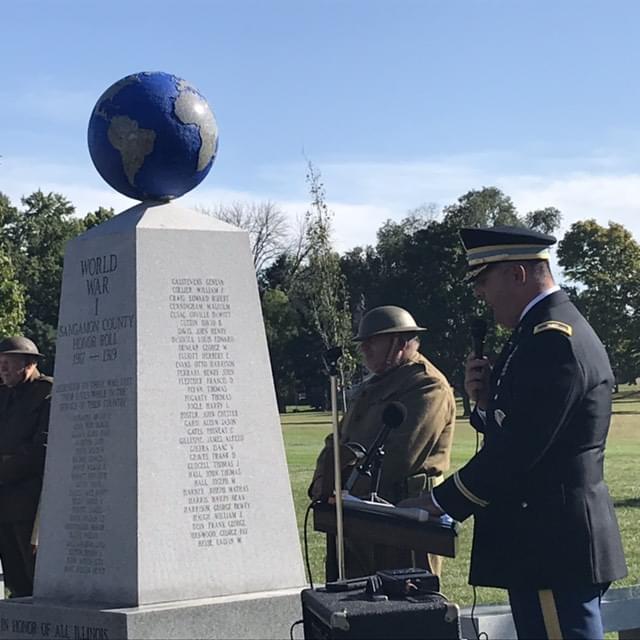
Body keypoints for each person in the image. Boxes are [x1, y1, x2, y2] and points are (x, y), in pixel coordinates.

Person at [401, 226, 627, 639]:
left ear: (518, 274)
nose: (480, 294)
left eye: (484, 281)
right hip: (545, 540)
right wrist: (486, 405)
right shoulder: (537, 333)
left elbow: (521, 450)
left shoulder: (552, 340)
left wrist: (439, 501)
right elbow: (530, 426)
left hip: (552, 542)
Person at [309, 305, 456, 581]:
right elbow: (337, 441)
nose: (364, 349)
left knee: (405, 607)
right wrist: (322, 483)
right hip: (355, 516)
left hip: (402, 519)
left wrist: (342, 488)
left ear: (399, 342)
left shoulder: (427, 386)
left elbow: (399, 458)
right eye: (363, 342)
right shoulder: (371, 386)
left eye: (372, 341)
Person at [0, 336, 52, 597]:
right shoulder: (3, 394)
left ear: (30, 363)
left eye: (9, 363)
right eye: (0, 363)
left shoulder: (48, 392)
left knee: (36, 580)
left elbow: (41, 449)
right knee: (14, 580)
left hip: (30, 506)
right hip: (4, 504)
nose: (3, 369)